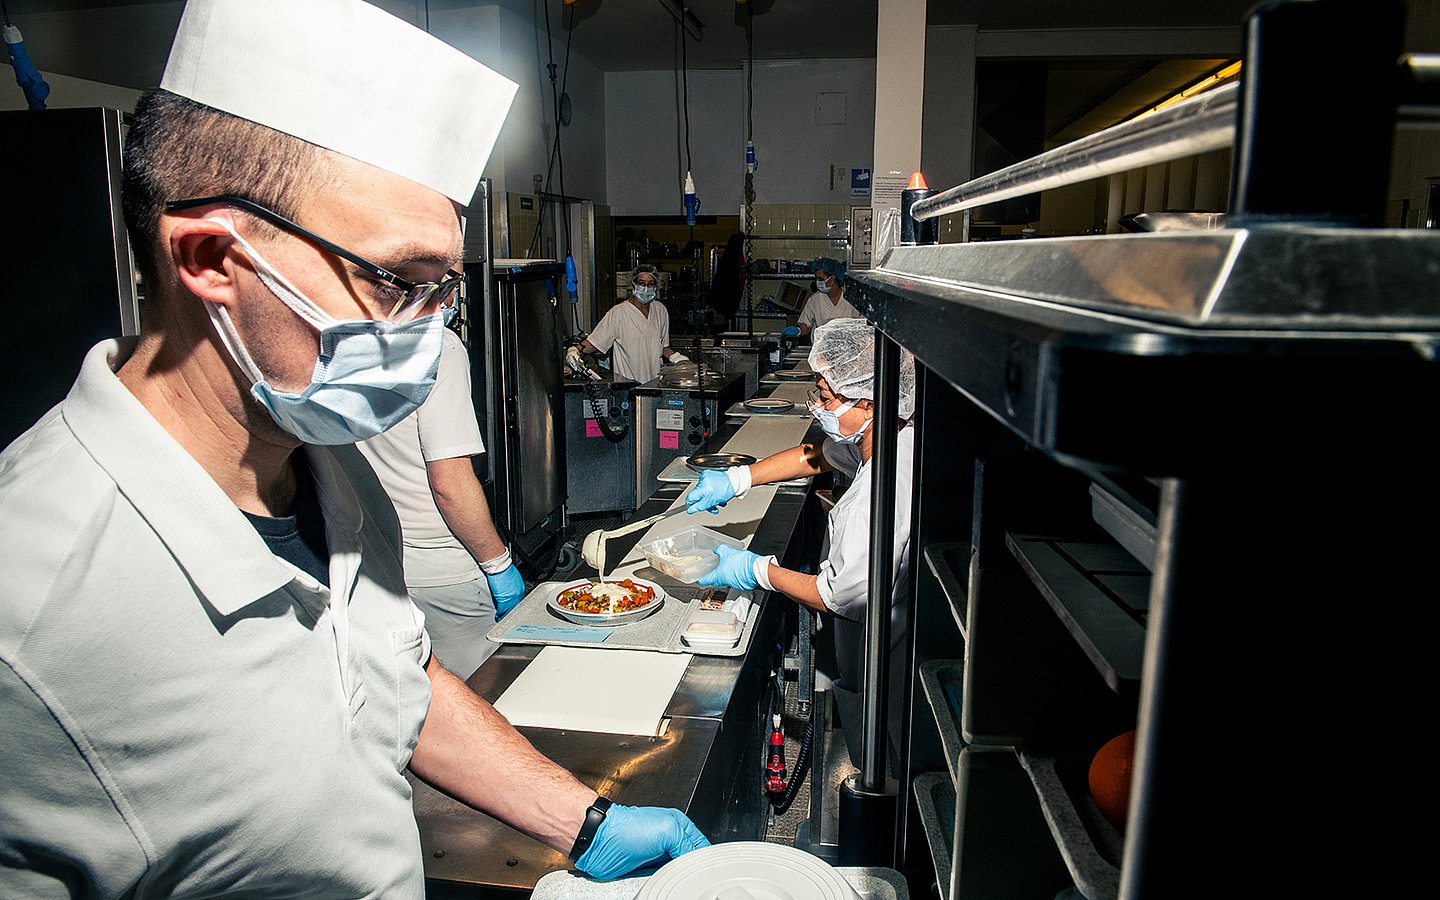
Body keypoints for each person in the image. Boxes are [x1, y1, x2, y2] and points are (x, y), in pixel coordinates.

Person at [0, 1, 706, 896]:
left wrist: (583, 817)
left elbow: (395, 680)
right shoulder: (30, 614)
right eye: (394, 282)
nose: (429, 329)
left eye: (440, 288)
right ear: (214, 257)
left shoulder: (335, 473)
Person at [683, 318, 915, 764]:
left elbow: (833, 596)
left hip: (884, 656)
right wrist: (739, 478)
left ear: (867, 402)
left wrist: (756, 570)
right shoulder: (887, 434)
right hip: (875, 639)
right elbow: (815, 458)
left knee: (883, 756)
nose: (817, 407)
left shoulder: (883, 488)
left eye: (825, 397)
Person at [358, 325, 525, 680]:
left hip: (376, 560)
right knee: (485, 690)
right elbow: (450, 483)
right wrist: (497, 564)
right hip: (443, 571)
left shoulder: (348, 339)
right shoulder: (438, 346)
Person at [568, 265, 688, 384]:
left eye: (651, 284)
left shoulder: (660, 310)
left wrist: (676, 358)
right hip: (628, 386)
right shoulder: (618, 313)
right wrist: (575, 350)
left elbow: (663, 347)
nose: (646, 288)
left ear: (656, 287)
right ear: (632, 285)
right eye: (641, 283)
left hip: (655, 385)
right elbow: (594, 343)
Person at [795, 257, 861, 339]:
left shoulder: (851, 298)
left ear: (832, 278)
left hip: (846, 348)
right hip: (821, 349)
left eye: (821, 279)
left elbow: (861, 326)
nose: (818, 282)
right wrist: (799, 330)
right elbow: (805, 325)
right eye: (816, 279)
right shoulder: (815, 300)